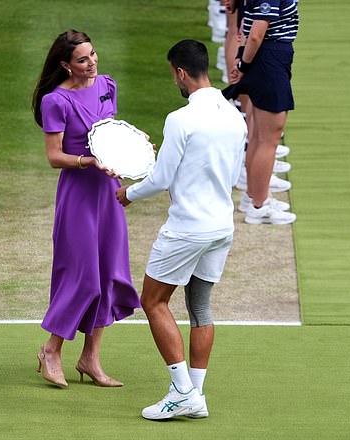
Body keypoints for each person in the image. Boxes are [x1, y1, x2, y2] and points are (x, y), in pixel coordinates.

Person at [116, 40, 247, 420]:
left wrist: (128, 193)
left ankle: (181, 390)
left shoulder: (181, 119)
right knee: (200, 306)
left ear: (181, 73)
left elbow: (160, 179)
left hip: (188, 228)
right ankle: (195, 396)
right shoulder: (235, 116)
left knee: (153, 301)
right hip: (222, 226)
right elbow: (228, 172)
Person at [31, 29, 140, 388]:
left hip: (108, 194)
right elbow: (53, 157)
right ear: (66, 64)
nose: (92, 62)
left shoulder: (107, 84)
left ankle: (90, 358)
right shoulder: (55, 101)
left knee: (109, 273)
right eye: (82, 59)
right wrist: (89, 161)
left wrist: (133, 152)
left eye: (93, 54)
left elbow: (112, 135)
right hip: (78, 196)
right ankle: (51, 350)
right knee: (82, 278)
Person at [224, 0, 299, 224]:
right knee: (268, 139)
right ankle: (260, 205)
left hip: (264, 59)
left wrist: (241, 58)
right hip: (269, 61)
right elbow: (255, 33)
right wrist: (242, 65)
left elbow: (246, 24)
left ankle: (253, 197)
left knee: (257, 135)